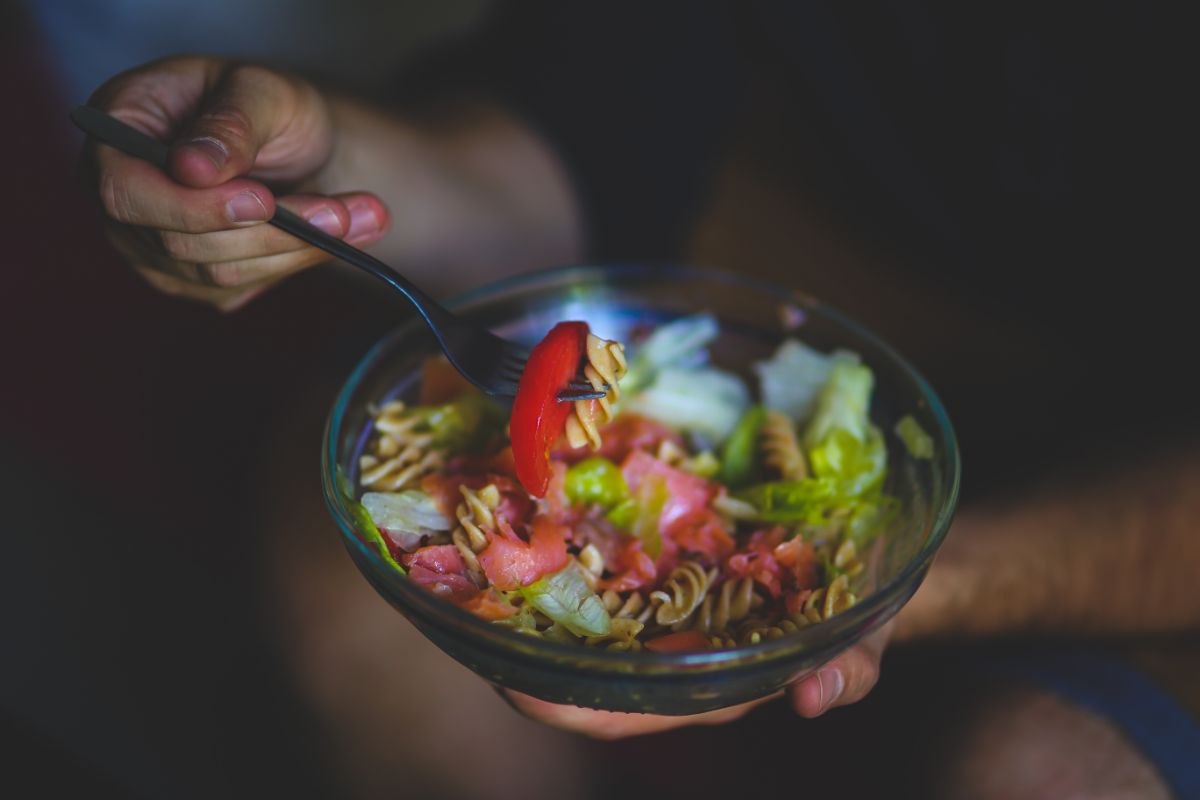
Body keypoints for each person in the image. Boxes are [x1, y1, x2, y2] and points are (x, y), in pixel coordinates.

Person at [77, 1, 1199, 796]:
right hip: (825, 264)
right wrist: (344, 169)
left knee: (1042, 772)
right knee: (343, 580)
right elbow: (591, 127)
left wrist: (887, 590)